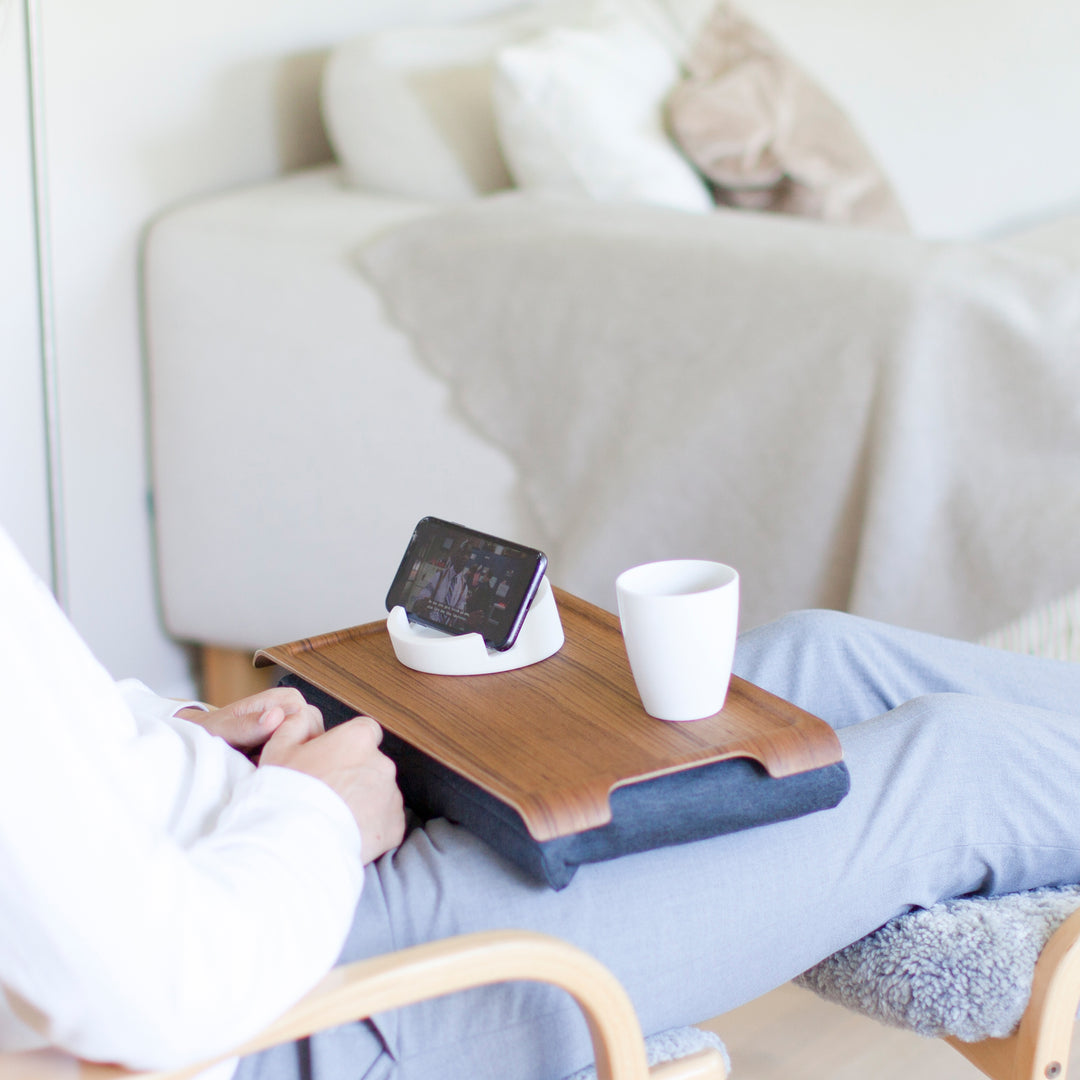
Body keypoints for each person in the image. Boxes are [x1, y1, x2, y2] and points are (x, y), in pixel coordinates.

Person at [3, 519, 1080, 1080]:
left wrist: (173, 732)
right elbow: (157, 996)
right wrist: (319, 815)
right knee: (956, 762)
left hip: (254, 867)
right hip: (304, 997)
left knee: (820, 656)